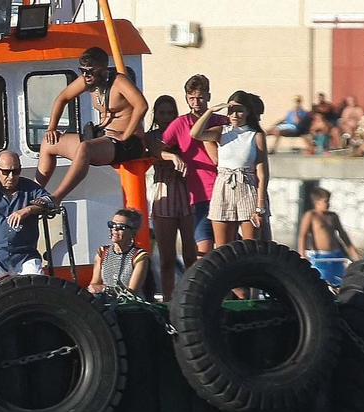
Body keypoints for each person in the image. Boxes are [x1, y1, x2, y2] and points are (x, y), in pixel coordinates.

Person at [36, 47, 150, 206]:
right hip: (103, 137)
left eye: (90, 71)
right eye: (82, 70)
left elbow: (142, 105)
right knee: (49, 143)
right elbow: (62, 98)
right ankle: (33, 192)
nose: (85, 75)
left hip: (127, 143)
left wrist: (126, 135)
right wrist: (51, 128)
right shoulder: (87, 81)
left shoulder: (119, 81)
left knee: (85, 148)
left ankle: (56, 197)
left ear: (103, 69)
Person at [159, 75, 226, 275]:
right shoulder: (180, 123)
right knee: (202, 254)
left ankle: (236, 297)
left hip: (224, 193)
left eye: (200, 98)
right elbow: (158, 148)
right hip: (199, 196)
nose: (196, 103)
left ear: (209, 97)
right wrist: (171, 156)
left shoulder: (221, 121)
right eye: (192, 98)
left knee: (227, 253)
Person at [0, 151, 51, 292]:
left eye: (15, 171)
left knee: (37, 278)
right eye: (5, 172)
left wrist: (28, 210)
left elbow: (50, 202)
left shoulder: (29, 188)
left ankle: (34, 313)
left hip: (24, 255)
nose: (11, 177)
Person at [193, 90, 269, 245]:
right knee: (222, 247)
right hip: (224, 186)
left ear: (248, 112)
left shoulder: (256, 135)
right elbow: (195, 134)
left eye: (239, 111)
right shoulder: (222, 131)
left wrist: (260, 205)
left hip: (247, 186)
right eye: (231, 111)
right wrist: (210, 111)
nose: (234, 115)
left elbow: (262, 173)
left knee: (251, 246)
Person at [147, 95, 195, 299]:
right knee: (167, 257)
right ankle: (167, 299)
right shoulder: (151, 135)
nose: (166, 117)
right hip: (164, 193)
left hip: (187, 192)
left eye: (170, 113)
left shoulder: (183, 132)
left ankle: (192, 296)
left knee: (191, 255)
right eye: (162, 113)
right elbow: (155, 149)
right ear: (156, 115)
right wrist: (172, 156)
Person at [297, 187, 360, 286]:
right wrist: (302, 254)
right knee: (322, 283)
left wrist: (353, 252)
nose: (328, 204)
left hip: (336, 255)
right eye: (325, 201)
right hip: (320, 256)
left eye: (329, 201)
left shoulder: (333, 216)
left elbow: (342, 234)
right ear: (316, 202)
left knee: (340, 281)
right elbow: (302, 235)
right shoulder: (311, 215)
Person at [90, 208, 149, 295]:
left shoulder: (139, 256)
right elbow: (94, 284)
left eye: (121, 227)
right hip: (105, 302)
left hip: (130, 305)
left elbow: (132, 292)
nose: (115, 229)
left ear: (132, 231)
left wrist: (105, 289)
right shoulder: (102, 252)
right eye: (112, 225)